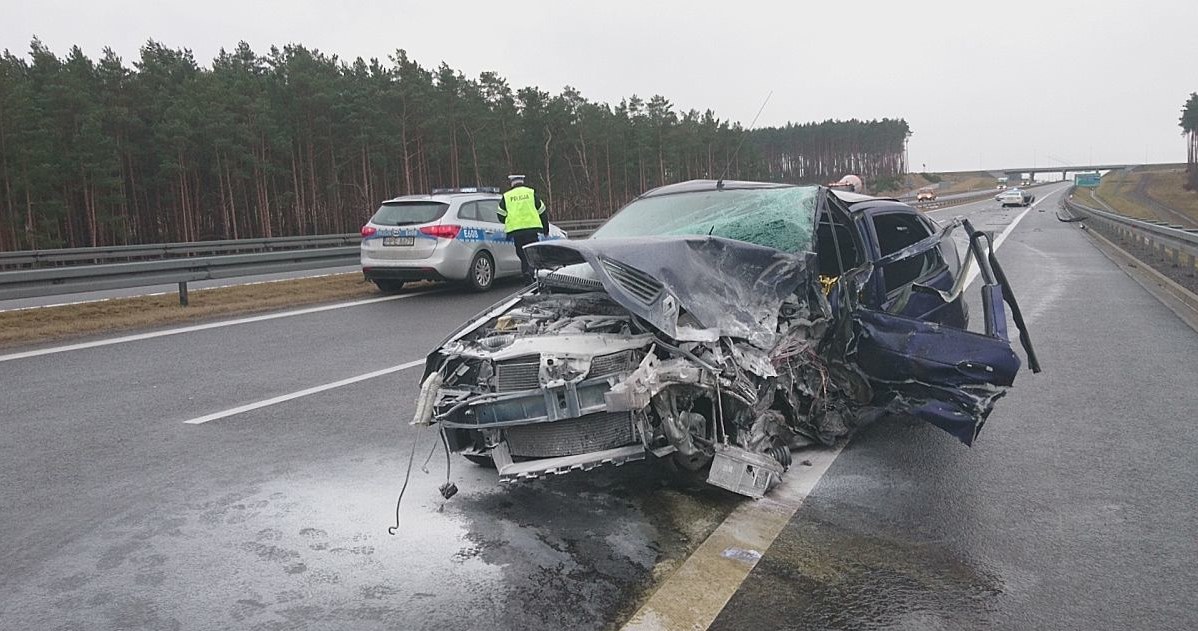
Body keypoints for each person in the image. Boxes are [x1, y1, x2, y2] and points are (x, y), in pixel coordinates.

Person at [496, 174, 549, 283]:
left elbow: (500, 215)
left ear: (512, 183)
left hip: (516, 231)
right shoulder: (531, 193)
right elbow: (542, 211)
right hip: (532, 230)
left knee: (522, 253)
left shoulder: (507, 196)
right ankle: (532, 273)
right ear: (522, 182)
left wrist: (508, 220)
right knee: (532, 253)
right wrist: (545, 228)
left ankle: (526, 272)